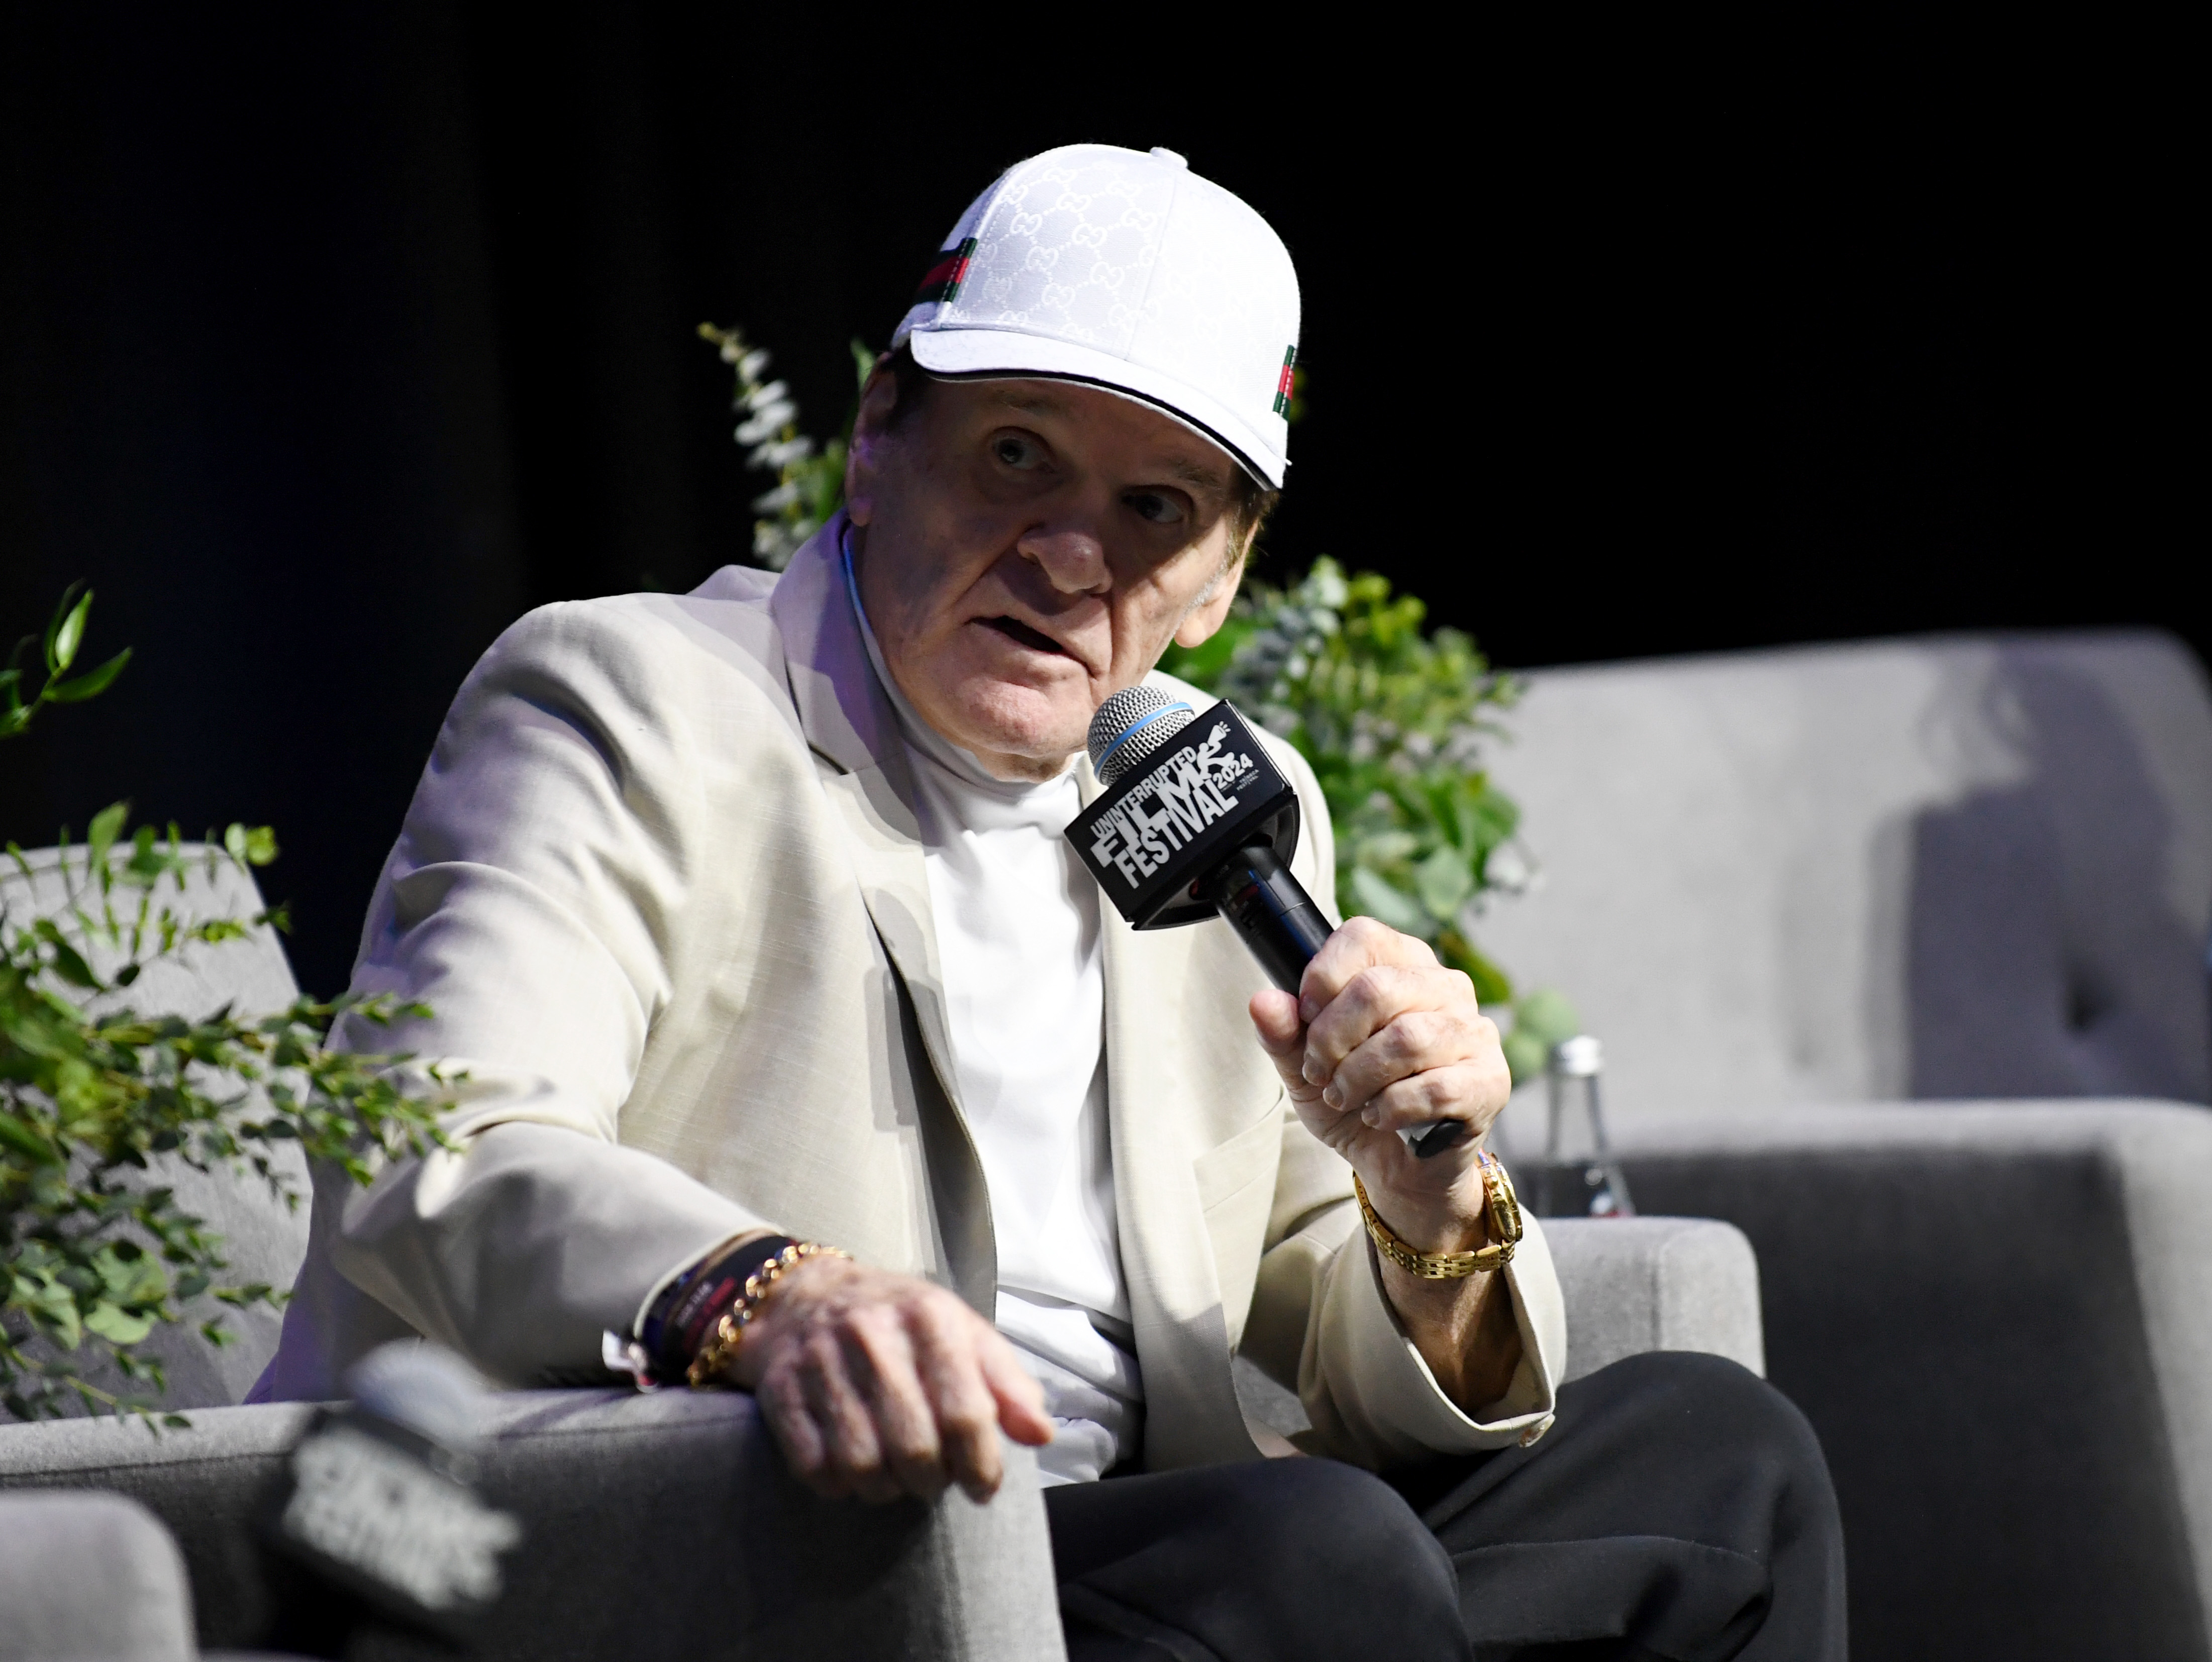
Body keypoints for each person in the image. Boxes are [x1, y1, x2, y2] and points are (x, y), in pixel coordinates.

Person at [256, 143, 1844, 1659]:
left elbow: (1310, 1318)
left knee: (1721, 1461)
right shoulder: (634, 701)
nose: (1073, 555)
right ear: (879, 432)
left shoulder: (1220, 796)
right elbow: (444, 1135)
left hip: (1149, 1561)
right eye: (1018, 455)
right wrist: (774, 1295)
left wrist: (1421, 1206)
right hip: (762, 1547)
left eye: (1158, 509)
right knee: (1307, 1562)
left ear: (1223, 580)